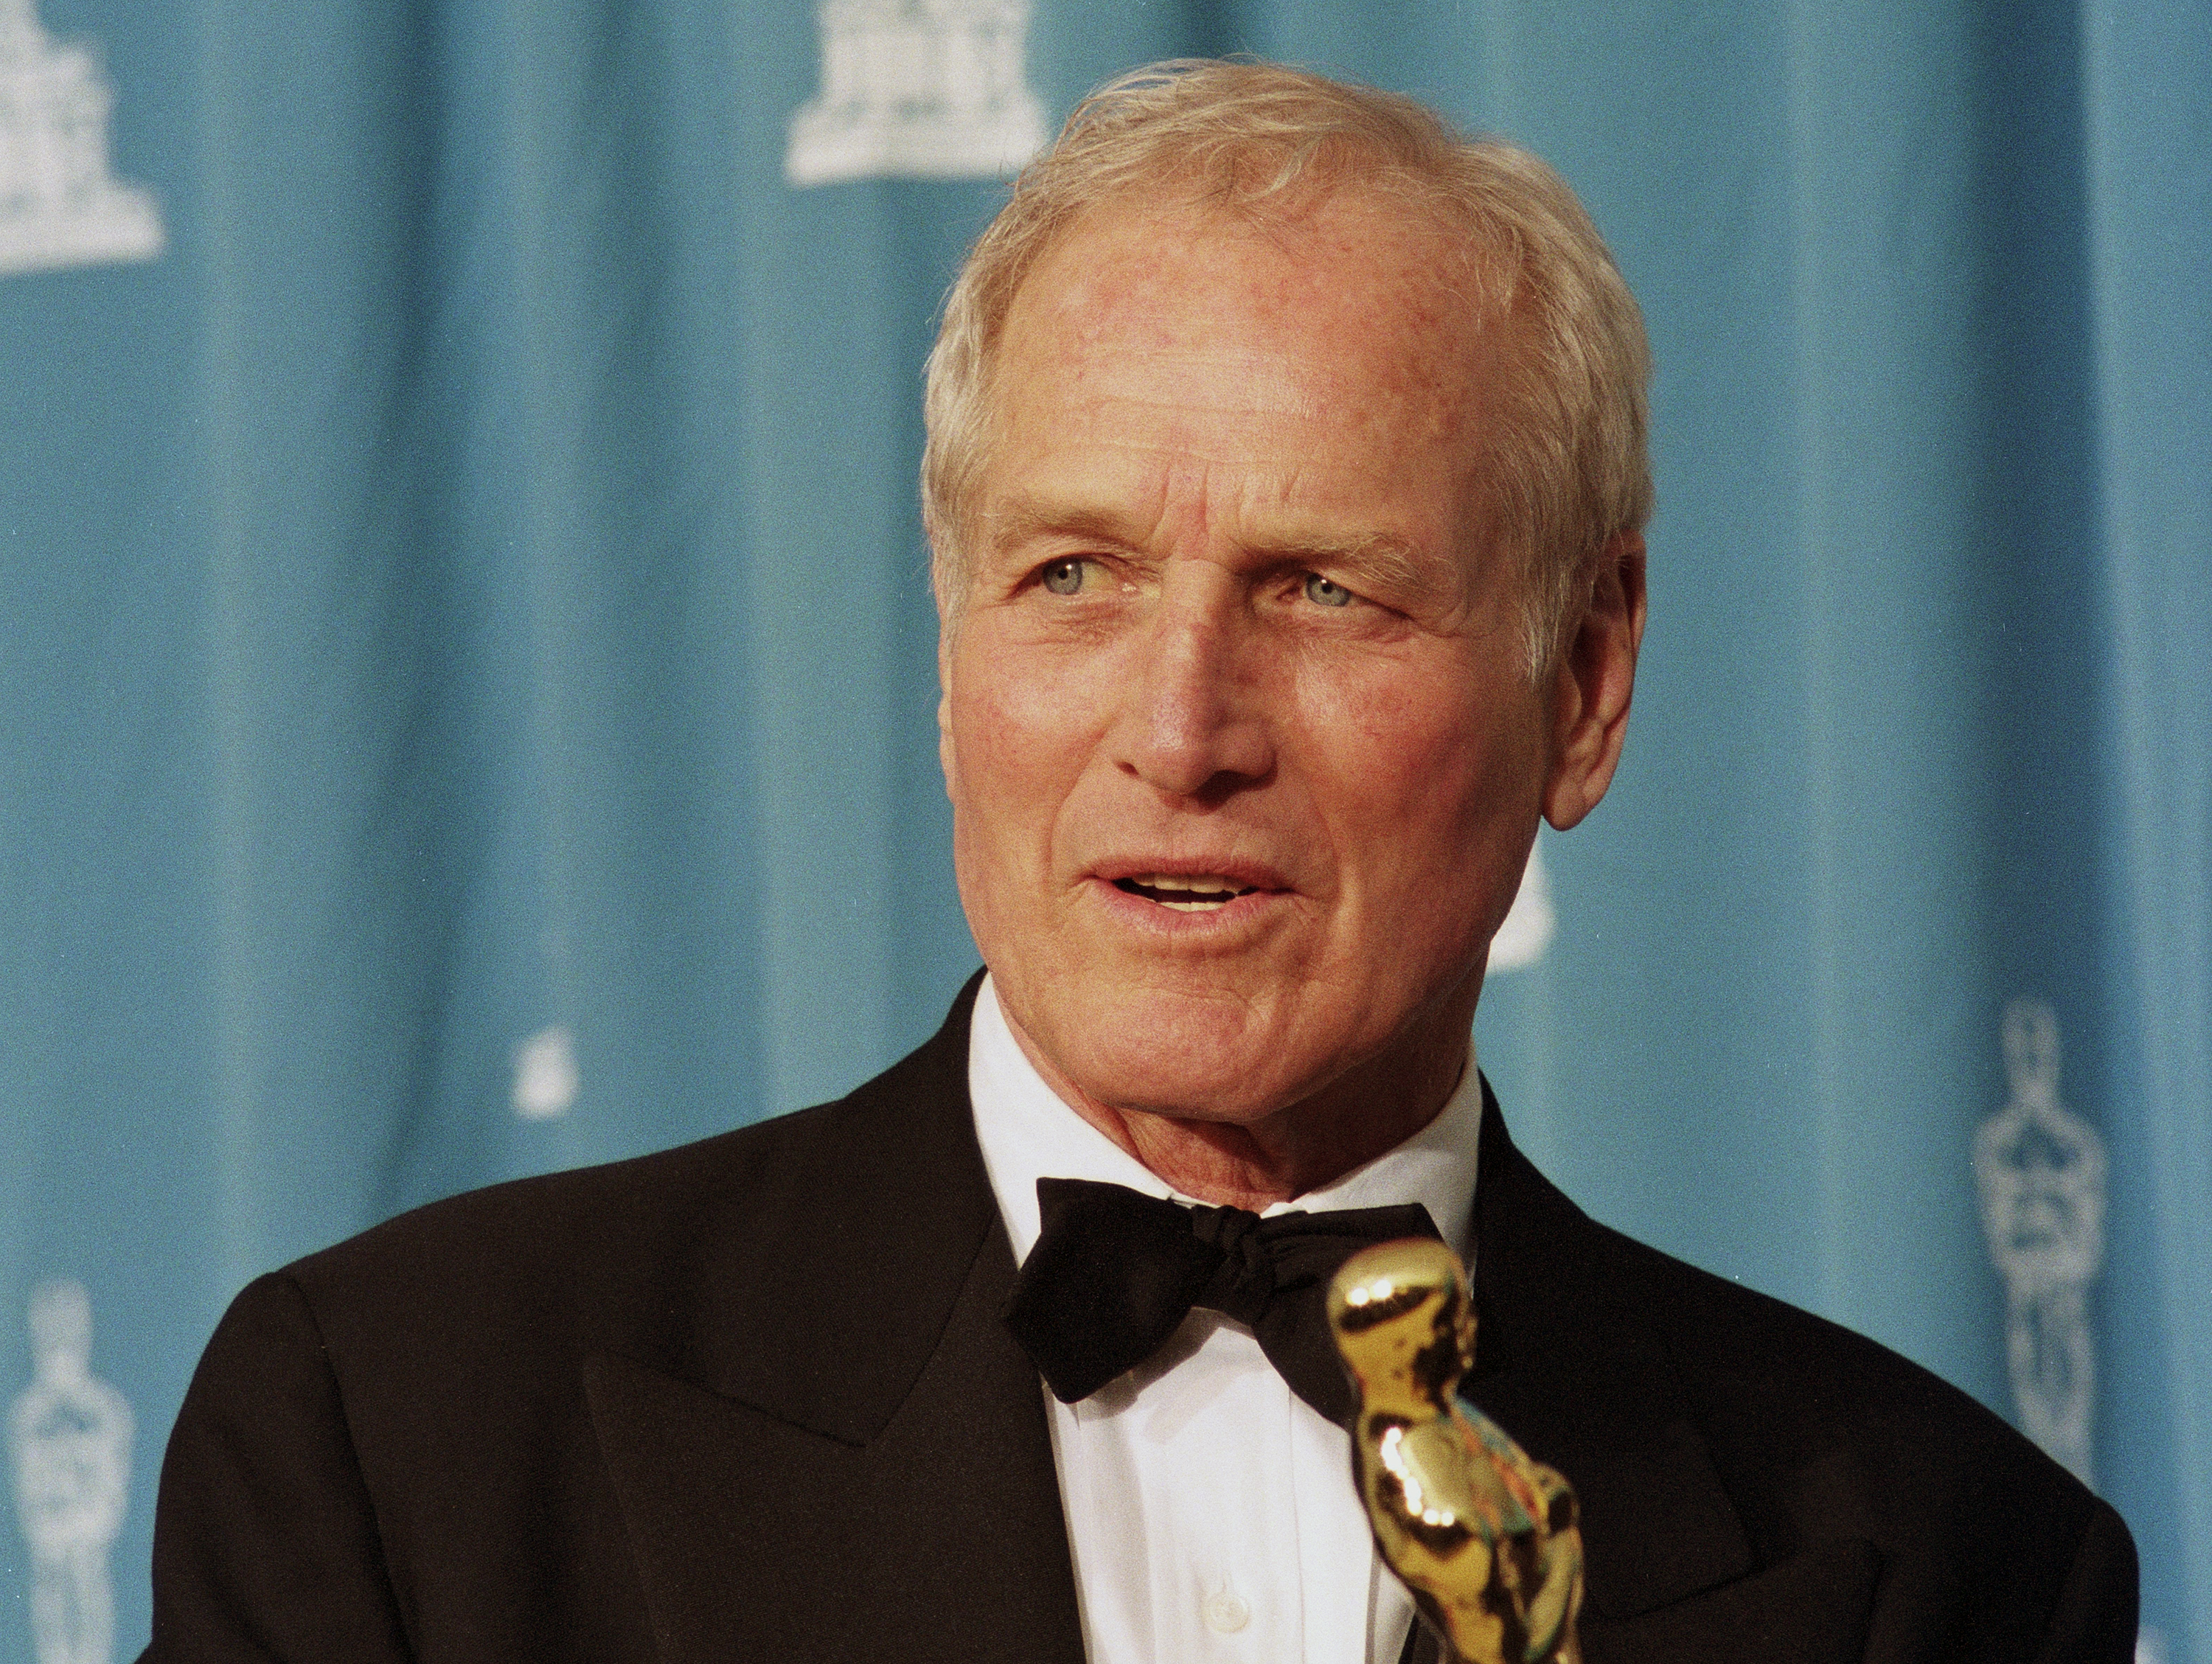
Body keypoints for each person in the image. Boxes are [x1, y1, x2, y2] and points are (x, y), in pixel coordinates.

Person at [142, 60, 2135, 1664]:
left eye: (1326, 589)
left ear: (1587, 681)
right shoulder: (403, 1445)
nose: (1181, 730)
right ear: (953, 656)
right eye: (1073, 575)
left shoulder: (1937, 1570)